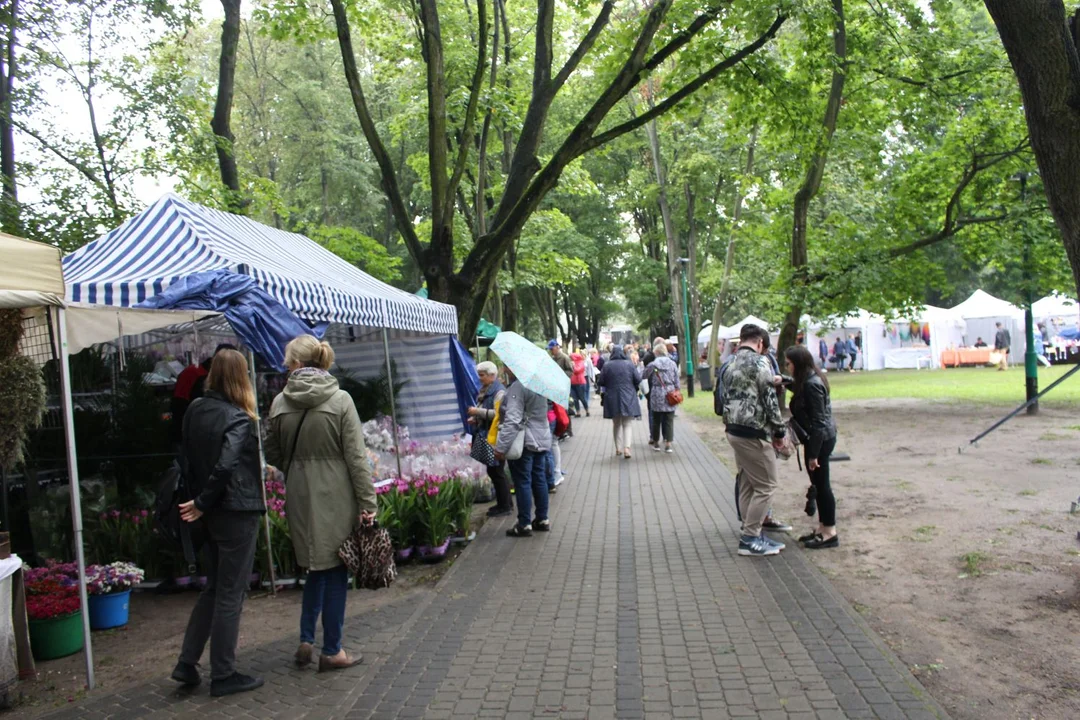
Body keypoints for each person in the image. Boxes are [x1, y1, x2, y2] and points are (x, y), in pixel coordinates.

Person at [265, 335, 377, 673]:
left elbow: (271, 452)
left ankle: (305, 639)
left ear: (296, 365)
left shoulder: (279, 402)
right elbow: (356, 457)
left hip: (299, 492)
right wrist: (367, 500)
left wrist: (297, 469)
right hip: (336, 493)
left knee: (316, 564)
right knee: (336, 568)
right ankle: (332, 650)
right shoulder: (340, 399)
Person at [173, 349, 266, 697]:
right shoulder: (238, 417)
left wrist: (200, 503)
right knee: (230, 592)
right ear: (241, 377)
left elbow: (189, 456)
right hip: (234, 511)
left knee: (213, 589)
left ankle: (187, 663)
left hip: (209, 513)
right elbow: (226, 464)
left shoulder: (195, 410)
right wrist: (202, 501)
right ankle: (223, 673)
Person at [720, 324, 787, 557]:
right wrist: (779, 432)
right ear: (760, 343)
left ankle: (752, 533)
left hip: (733, 429)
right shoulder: (761, 363)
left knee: (748, 481)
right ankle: (750, 538)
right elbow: (770, 401)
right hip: (754, 431)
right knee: (767, 484)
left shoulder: (729, 363)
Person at [785, 345, 839, 549]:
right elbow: (800, 391)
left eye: (788, 364)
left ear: (797, 364)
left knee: (823, 486)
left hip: (821, 440)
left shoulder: (812, 384)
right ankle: (823, 528)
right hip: (818, 438)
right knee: (818, 484)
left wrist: (813, 455)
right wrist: (784, 381)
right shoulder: (807, 380)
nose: (786, 367)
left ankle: (830, 532)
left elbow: (819, 422)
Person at [494, 366, 553, 537]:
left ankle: (524, 523)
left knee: (523, 482)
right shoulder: (540, 385)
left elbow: (512, 420)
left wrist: (501, 448)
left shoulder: (518, 387)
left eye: (506, 366)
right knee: (540, 479)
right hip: (541, 437)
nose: (504, 368)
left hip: (525, 441)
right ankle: (542, 519)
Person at [468, 362, 512, 517]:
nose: (480, 378)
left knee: (496, 470)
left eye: (482, 375)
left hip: (494, 436)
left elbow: (497, 414)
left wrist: (477, 412)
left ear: (492, 375)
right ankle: (504, 503)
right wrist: (476, 418)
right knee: (494, 470)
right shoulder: (488, 389)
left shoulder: (499, 391)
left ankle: (504, 506)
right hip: (487, 433)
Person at [596, 345, 642, 459]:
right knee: (627, 424)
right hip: (628, 396)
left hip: (612, 397)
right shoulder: (629, 364)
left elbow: (601, 381)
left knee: (616, 424)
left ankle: (618, 448)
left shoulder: (607, 365)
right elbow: (637, 379)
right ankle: (627, 448)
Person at [643, 342, 679, 453]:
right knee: (669, 419)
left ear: (657, 352)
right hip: (670, 392)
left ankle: (656, 443)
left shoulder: (653, 365)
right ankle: (668, 444)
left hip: (657, 392)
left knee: (656, 419)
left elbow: (643, 376)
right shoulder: (672, 364)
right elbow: (676, 380)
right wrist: (677, 390)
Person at [570, 351, 590, 417]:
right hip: (572, 383)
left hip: (580, 383)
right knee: (575, 399)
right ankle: (578, 412)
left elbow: (577, 371)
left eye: (571, 357)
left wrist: (573, 365)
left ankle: (587, 411)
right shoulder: (571, 363)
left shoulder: (581, 363)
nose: (570, 359)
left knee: (582, 398)